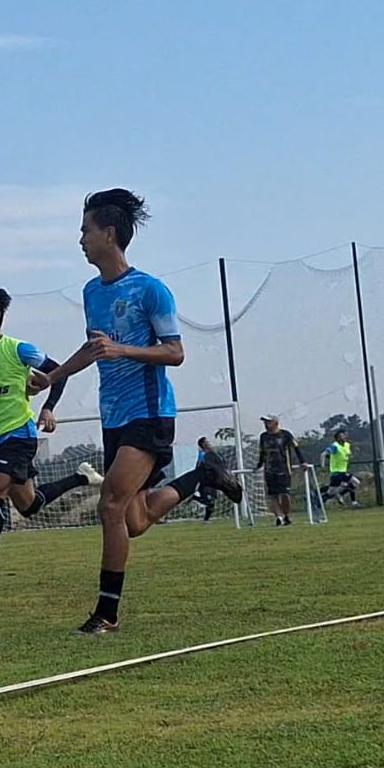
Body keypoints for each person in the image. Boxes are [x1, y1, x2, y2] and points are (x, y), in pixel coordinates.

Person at [31, 189, 243, 635]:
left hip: (149, 414)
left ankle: (106, 614)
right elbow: (94, 348)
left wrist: (122, 348)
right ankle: (203, 475)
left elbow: (176, 352)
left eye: (86, 230)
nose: (80, 239)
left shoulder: (150, 289)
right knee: (136, 519)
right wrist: (53, 379)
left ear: (110, 234)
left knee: (109, 504)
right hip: (114, 418)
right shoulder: (92, 292)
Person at [0, 285, 103, 587]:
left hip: (20, 435)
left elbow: (58, 372)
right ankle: (82, 477)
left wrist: (49, 408)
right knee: (29, 506)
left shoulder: (18, 349)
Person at [256, 415, 306, 526]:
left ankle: (285, 515)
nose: (266, 424)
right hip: (269, 470)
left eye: (268, 422)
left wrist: (302, 461)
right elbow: (262, 452)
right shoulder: (263, 436)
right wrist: (259, 464)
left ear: (275, 423)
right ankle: (279, 516)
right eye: (265, 422)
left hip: (283, 469)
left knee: (285, 494)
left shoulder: (285, 435)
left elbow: (296, 448)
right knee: (273, 495)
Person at [319, 429, 362, 508]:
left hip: (343, 471)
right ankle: (320, 500)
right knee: (330, 493)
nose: (344, 437)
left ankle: (353, 502)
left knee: (356, 482)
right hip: (336, 473)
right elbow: (323, 454)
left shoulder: (347, 445)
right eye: (341, 436)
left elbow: (347, 455)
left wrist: (352, 455)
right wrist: (322, 466)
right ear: (338, 438)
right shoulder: (335, 446)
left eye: (344, 435)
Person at [193, 437, 229, 523]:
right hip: (206, 482)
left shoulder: (214, 454)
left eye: (208, 442)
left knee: (212, 503)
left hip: (214, 481)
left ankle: (206, 520)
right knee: (209, 501)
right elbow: (198, 466)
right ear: (203, 445)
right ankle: (196, 498)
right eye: (207, 442)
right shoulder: (203, 454)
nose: (209, 443)